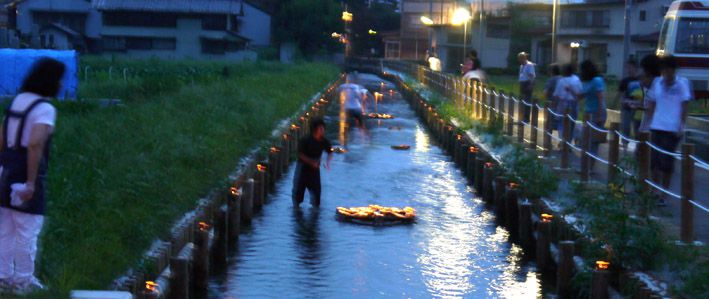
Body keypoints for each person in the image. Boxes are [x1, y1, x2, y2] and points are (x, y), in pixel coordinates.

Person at [0, 57, 65, 294]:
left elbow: (2, 135)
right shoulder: (45, 108)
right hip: (26, 173)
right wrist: (30, 182)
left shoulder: (18, 101)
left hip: (5, 171)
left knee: (5, 229)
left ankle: (3, 278)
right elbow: (35, 144)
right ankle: (23, 282)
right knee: (28, 230)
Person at [644, 55, 692, 205]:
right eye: (664, 70)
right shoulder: (657, 83)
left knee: (667, 164)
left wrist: (681, 126)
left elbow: (685, 106)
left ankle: (664, 193)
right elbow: (651, 103)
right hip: (657, 126)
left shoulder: (682, 84)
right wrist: (648, 122)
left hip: (672, 129)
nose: (667, 73)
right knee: (654, 162)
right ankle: (655, 189)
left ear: (674, 70)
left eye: (669, 70)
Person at [293, 118, 333, 208]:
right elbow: (300, 154)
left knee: (316, 195)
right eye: (320, 128)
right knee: (298, 195)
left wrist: (327, 162)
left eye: (323, 128)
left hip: (315, 170)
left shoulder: (324, 141)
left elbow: (330, 152)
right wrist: (311, 162)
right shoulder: (305, 140)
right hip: (302, 169)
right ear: (315, 130)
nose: (323, 130)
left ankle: (315, 214)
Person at [579, 60, 607, 172]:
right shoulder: (588, 82)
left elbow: (600, 98)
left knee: (593, 141)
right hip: (588, 112)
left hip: (596, 112)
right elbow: (581, 96)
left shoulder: (597, 80)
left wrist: (600, 115)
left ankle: (590, 167)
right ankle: (585, 166)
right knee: (585, 140)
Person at [553, 63, 582, 142]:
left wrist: (554, 106)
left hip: (563, 103)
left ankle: (563, 141)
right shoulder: (577, 79)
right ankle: (568, 141)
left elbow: (557, 95)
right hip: (574, 103)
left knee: (562, 123)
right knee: (571, 123)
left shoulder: (561, 81)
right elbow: (580, 92)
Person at [618, 60, 639, 144]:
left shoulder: (641, 79)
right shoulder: (625, 81)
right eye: (628, 67)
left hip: (639, 109)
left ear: (636, 68)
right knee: (625, 127)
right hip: (627, 108)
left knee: (637, 128)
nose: (629, 69)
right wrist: (623, 102)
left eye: (631, 67)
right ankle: (625, 147)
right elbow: (621, 95)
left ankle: (639, 148)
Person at [518, 52, 536, 122]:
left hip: (527, 83)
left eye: (520, 59)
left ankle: (526, 117)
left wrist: (531, 85)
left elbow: (532, 76)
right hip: (522, 83)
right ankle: (522, 116)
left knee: (527, 101)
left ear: (524, 58)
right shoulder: (522, 66)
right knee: (522, 100)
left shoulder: (529, 65)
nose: (519, 60)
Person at [544, 64, 562, 131]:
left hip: (552, 103)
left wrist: (546, 98)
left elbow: (546, 91)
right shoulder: (563, 78)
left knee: (549, 123)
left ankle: (547, 139)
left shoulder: (551, 80)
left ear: (551, 71)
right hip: (562, 103)